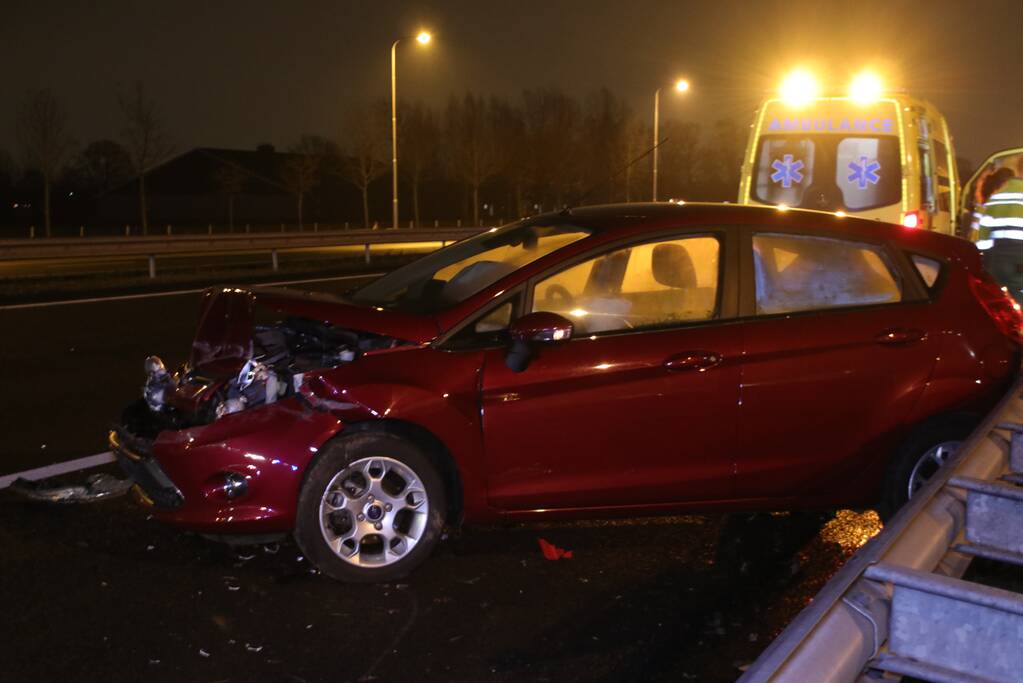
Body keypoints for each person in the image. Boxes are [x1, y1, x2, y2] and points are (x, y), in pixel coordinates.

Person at [977, 158, 1023, 302]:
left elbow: (983, 237)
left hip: (999, 259)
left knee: (1000, 302)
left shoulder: (997, 196)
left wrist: (986, 259)